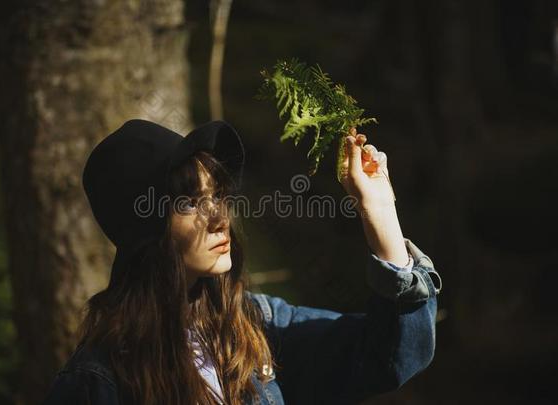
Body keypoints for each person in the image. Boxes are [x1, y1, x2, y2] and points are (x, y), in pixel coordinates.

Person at [42, 119, 442, 405]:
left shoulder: (256, 327)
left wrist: (380, 213)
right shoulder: (97, 382)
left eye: (218, 195)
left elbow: (388, 355)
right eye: (190, 202)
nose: (219, 217)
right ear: (144, 232)